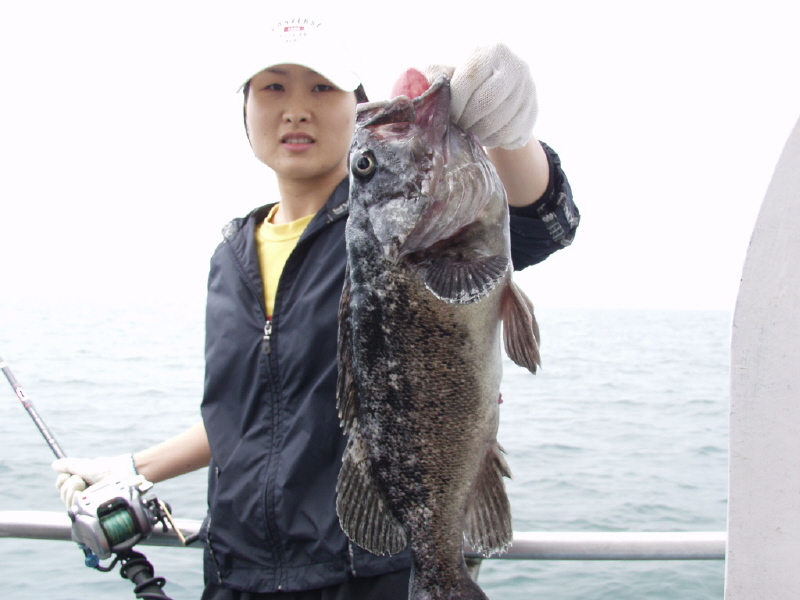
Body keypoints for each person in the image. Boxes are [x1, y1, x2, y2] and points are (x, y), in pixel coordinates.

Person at [52, 16, 579, 600]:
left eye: (322, 87)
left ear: (359, 108)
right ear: (245, 110)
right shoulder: (230, 257)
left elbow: (540, 223)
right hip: (234, 577)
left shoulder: (407, 214)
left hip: (368, 581)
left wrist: (512, 134)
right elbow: (246, 416)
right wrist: (133, 468)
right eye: (273, 87)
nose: (297, 109)